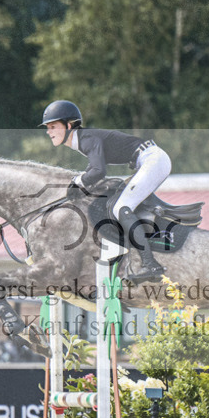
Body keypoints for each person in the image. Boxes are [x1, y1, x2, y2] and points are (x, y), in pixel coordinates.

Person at [40, 99, 171, 283]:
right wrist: (81, 183)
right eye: (48, 127)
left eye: (53, 126)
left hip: (153, 160)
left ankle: (151, 265)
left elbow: (98, 171)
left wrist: (78, 182)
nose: (48, 131)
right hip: (149, 160)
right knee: (116, 203)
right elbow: (95, 171)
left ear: (69, 125)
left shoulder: (86, 139)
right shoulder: (84, 140)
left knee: (121, 207)